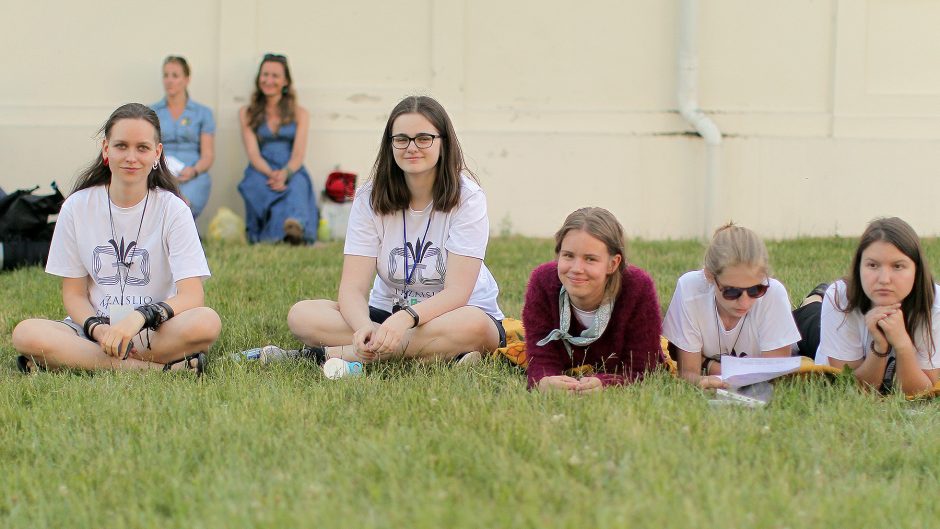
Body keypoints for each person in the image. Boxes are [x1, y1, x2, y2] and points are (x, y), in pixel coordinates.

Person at [277, 95, 505, 367]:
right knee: (303, 315)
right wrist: (363, 327)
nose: (412, 147)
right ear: (390, 144)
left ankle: (330, 355)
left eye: (424, 138)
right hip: (385, 315)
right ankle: (435, 354)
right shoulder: (369, 198)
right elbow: (352, 289)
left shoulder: (467, 197)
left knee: (475, 326)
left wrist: (406, 318)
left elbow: (458, 292)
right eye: (401, 139)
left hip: (455, 313)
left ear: (443, 142)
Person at [11, 103, 221, 374]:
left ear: (157, 153)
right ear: (106, 149)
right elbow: (74, 295)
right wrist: (99, 331)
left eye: (142, 148)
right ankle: (160, 370)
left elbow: (192, 296)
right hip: (94, 331)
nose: (131, 157)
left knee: (207, 322)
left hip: (153, 329)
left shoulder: (173, 209)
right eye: (121, 146)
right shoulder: (76, 207)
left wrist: (138, 317)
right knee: (26, 334)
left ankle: (77, 361)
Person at [523, 207, 663, 393]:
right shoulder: (542, 282)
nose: (576, 268)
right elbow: (540, 357)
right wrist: (544, 381)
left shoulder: (638, 288)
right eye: (568, 256)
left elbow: (641, 369)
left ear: (613, 264)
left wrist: (608, 383)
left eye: (590, 259)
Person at [662, 224, 801, 389]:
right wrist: (701, 380)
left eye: (755, 289)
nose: (744, 302)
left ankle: (815, 298)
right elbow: (688, 372)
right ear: (709, 276)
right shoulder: (690, 289)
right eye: (732, 292)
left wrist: (707, 364)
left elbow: (775, 376)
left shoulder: (773, 293)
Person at [813, 217, 940, 396]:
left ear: (917, 270)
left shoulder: (935, 305)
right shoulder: (839, 298)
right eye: (873, 265)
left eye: (897, 266)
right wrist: (879, 346)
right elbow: (849, 387)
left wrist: (903, 344)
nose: (884, 279)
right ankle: (814, 298)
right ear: (859, 267)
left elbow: (922, 391)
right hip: (819, 328)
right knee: (809, 321)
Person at [237, 53, 317, 245]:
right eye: (265, 75)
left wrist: (285, 173)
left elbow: (298, 154)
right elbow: (253, 153)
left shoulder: (300, 113)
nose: (268, 80)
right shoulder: (246, 113)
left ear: (285, 81)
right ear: (259, 78)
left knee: (297, 186)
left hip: (291, 167)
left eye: (275, 76)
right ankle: (282, 235)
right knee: (259, 186)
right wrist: (271, 174)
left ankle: (294, 228)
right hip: (260, 167)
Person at [151, 56, 216, 219]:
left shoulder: (203, 113)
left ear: (187, 79)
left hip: (192, 172)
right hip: (160, 170)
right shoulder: (151, 112)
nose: (169, 81)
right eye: (166, 75)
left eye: (175, 76)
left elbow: (208, 155)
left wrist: (194, 171)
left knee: (183, 206)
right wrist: (162, 171)